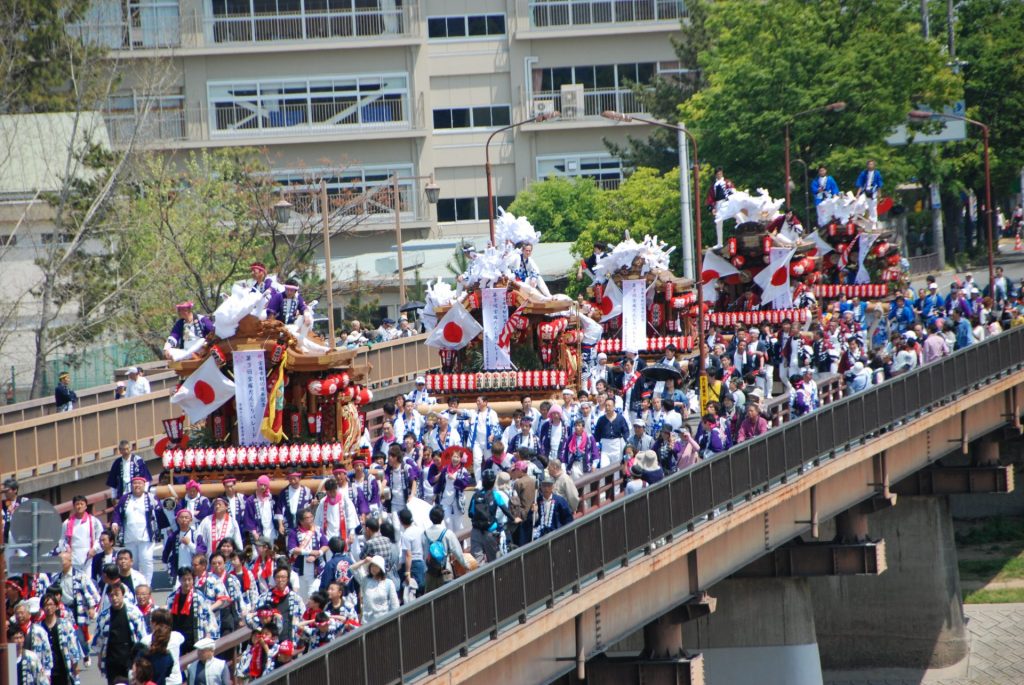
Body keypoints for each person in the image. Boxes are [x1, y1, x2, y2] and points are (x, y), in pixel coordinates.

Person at [110, 475, 167, 585]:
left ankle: (146, 585)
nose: (137, 486)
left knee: (146, 561)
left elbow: (160, 513)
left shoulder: (151, 498)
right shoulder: (125, 498)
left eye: (139, 483)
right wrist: (115, 523)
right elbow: (118, 512)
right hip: (129, 536)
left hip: (146, 536)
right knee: (132, 563)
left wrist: (165, 529)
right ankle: (134, 584)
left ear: (144, 485)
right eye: (134, 484)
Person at [93, 583, 149, 685]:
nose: (114, 598)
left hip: (130, 659)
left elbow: (142, 636)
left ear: (122, 595)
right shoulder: (104, 616)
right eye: (111, 595)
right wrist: (99, 658)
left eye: (117, 595)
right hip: (112, 659)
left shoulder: (134, 613)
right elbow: (99, 639)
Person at [468, 469, 518, 563]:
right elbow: (506, 511)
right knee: (493, 561)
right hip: (491, 531)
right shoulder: (495, 495)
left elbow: (470, 513)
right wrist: (514, 519)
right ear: (494, 482)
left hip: (476, 531)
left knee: (477, 562)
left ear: (482, 481)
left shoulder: (475, 495)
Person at [166, 566, 215, 655]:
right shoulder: (172, 598)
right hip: (177, 635)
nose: (187, 583)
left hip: (195, 635)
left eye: (189, 579)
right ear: (180, 580)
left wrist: (208, 633)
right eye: (184, 580)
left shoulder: (199, 597)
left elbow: (207, 616)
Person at [40, 592, 84, 685]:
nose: (48, 607)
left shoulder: (65, 625)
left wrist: (75, 668)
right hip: (46, 671)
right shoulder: (38, 628)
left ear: (56, 606)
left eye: (51, 604)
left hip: (63, 667)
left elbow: (73, 647)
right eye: (45, 605)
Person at [422, 505, 468, 593]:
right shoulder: (447, 533)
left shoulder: (424, 534)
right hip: (445, 571)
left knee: (429, 600)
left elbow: (424, 554)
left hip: (430, 571)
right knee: (447, 598)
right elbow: (458, 553)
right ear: (442, 517)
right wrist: (466, 566)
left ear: (430, 518)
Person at [254, 567, 304, 644]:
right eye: (278, 577)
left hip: (289, 639)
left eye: (283, 577)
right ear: (274, 579)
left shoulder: (295, 598)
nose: (280, 580)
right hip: (269, 641)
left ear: (288, 579)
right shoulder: (264, 597)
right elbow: (256, 616)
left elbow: (302, 617)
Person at [288, 508, 329, 598]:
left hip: (316, 570)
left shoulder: (317, 530)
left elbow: (325, 545)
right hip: (300, 570)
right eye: (307, 517)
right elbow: (292, 549)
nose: (311, 519)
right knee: (301, 597)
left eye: (311, 516)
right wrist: (309, 552)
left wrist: (318, 553)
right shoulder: (294, 532)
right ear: (301, 521)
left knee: (313, 596)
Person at [59, 495, 104, 573]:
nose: (79, 506)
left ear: (86, 506)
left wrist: (94, 549)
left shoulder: (93, 521)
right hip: (73, 555)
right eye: (77, 504)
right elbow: (62, 539)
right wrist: (66, 549)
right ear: (73, 506)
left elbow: (100, 536)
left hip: (89, 555)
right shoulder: (67, 523)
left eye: (81, 504)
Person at [351, 554, 399, 624]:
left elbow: (395, 604)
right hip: (367, 622)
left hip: (384, 621)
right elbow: (352, 568)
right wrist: (364, 561)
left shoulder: (388, 583)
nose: (373, 568)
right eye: (372, 566)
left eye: (376, 566)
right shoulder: (365, 580)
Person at [532, 474, 574, 539]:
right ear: (541, 487)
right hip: (540, 535)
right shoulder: (537, 501)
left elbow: (568, 518)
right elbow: (533, 521)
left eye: (549, 486)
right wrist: (535, 512)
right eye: (544, 486)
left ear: (552, 487)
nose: (546, 488)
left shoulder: (560, 501)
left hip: (556, 533)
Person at [276, 471, 314, 537]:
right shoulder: (284, 492)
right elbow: (279, 509)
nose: (293, 481)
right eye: (290, 479)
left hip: (303, 525)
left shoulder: (307, 491)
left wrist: (313, 505)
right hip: (288, 524)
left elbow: (310, 509)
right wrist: (280, 525)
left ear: (299, 478)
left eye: (294, 479)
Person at [593, 397, 629, 468]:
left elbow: (626, 432)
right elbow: (597, 435)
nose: (607, 407)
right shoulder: (601, 420)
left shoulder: (620, 418)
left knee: (616, 469)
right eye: (606, 405)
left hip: (617, 446)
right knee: (603, 467)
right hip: (605, 447)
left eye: (609, 405)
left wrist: (626, 444)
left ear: (614, 406)